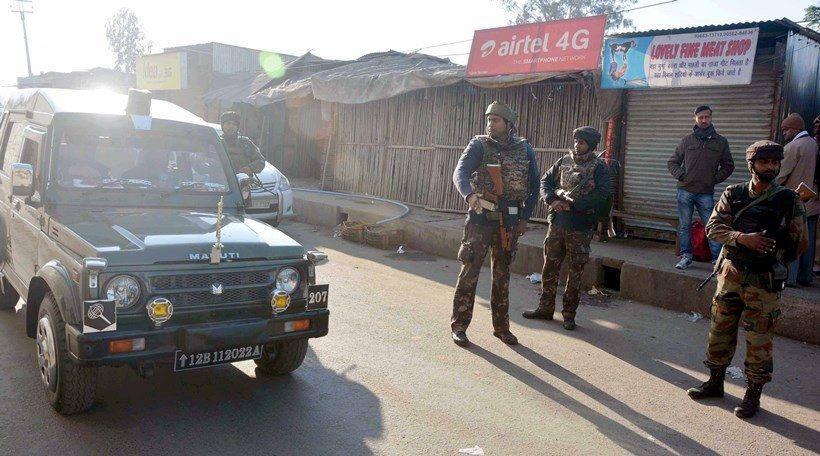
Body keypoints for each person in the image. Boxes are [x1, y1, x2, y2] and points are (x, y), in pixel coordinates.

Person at [687, 140, 807, 419]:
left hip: (763, 281)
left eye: (774, 163)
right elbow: (713, 227)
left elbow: (799, 242)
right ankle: (715, 382)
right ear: (752, 164)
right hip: (730, 275)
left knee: (759, 340)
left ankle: (753, 395)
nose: (770, 167)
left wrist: (771, 256)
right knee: (720, 331)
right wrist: (742, 238)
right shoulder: (734, 193)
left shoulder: (788, 199)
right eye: (764, 162)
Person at [450, 101, 540, 347]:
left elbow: (534, 186)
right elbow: (460, 172)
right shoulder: (479, 145)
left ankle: (501, 328)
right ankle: (459, 326)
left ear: (509, 125)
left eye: (496, 120)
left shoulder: (524, 149)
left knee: (502, 276)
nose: (490, 124)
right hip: (480, 219)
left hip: (509, 222)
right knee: (469, 273)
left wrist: (524, 218)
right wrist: (470, 195)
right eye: (489, 119)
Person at [521, 127, 610, 330]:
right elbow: (545, 181)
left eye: (582, 142)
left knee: (575, 272)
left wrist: (574, 205)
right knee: (549, 268)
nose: (578, 145)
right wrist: (552, 200)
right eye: (576, 141)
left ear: (591, 145)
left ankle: (569, 314)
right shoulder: (563, 161)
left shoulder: (599, 168)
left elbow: (603, 194)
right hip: (557, 223)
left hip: (580, 226)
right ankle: (545, 308)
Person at [668, 106, 734, 269]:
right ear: (695, 119)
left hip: (705, 192)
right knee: (684, 226)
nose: (704, 120)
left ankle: (717, 261)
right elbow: (672, 162)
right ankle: (686, 257)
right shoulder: (687, 141)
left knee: (711, 225)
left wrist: (714, 179)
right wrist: (682, 176)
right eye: (700, 117)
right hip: (685, 191)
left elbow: (728, 165)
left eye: (707, 117)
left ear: (711, 118)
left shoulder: (721, 142)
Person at [776, 113, 819, 286]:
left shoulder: (793, 147)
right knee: (807, 243)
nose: (784, 134)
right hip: (813, 202)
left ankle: (790, 278)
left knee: (792, 240)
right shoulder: (814, 144)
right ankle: (805, 277)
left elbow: (780, 176)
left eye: (785, 130)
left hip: (795, 200)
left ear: (794, 129)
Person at [220, 111, 266, 175]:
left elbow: (260, 160)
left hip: (244, 182)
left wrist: (250, 168)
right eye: (228, 123)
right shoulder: (217, 143)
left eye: (234, 124)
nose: (231, 126)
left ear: (237, 127)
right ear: (222, 125)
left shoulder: (245, 143)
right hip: (224, 182)